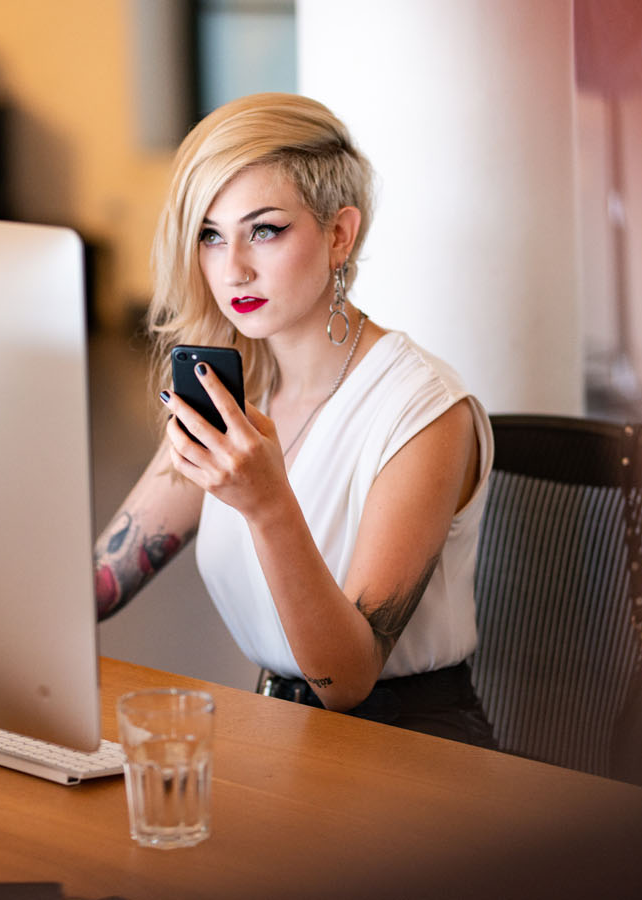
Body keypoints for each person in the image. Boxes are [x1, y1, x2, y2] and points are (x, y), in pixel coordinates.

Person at [92, 93, 496, 748]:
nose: (233, 268)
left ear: (339, 235)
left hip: (413, 754)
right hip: (279, 736)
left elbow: (348, 677)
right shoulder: (236, 391)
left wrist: (268, 505)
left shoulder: (423, 413)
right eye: (210, 235)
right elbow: (106, 580)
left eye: (265, 230)